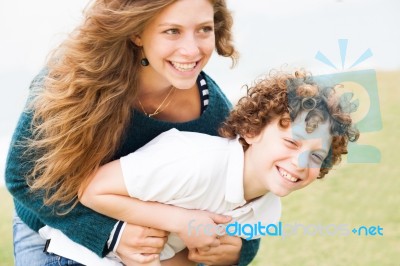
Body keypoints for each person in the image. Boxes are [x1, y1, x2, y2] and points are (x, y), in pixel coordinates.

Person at [5, 0, 260, 265]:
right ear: (136, 32)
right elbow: (21, 178)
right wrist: (113, 235)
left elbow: (247, 192)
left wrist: (240, 250)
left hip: (151, 239)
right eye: (172, 31)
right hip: (53, 217)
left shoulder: (214, 115)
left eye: (204, 29)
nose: (192, 49)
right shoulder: (71, 81)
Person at [39, 69, 359, 265]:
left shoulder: (266, 212)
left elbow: (188, 256)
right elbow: (92, 189)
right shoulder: (195, 162)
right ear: (251, 131)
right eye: (291, 143)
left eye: (317, 157)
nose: (301, 162)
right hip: (78, 256)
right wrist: (181, 220)